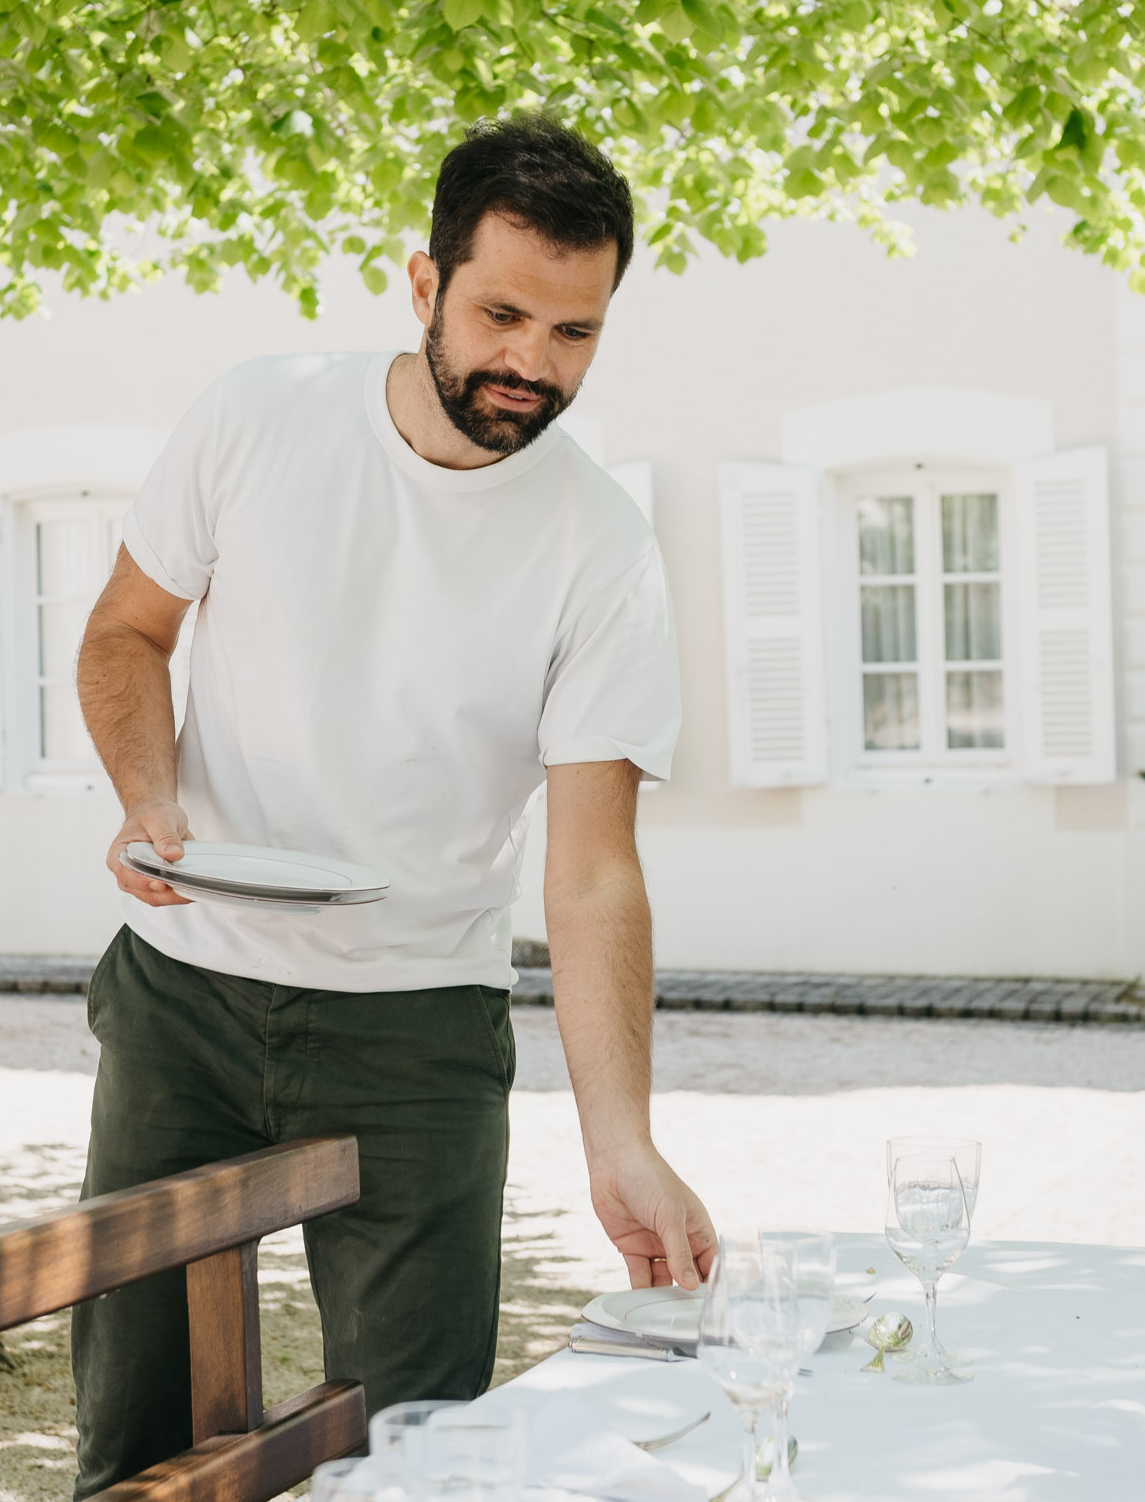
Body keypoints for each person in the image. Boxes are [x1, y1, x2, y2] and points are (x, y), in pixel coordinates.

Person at [68, 116, 717, 1490]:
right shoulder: (256, 417)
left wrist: (622, 1142)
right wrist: (147, 796)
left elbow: (593, 869)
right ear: (424, 283)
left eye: (576, 332)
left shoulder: (603, 548)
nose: (532, 362)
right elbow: (126, 632)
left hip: (420, 1029)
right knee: (135, 1445)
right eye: (501, 315)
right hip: (184, 995)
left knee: (420, 1458)